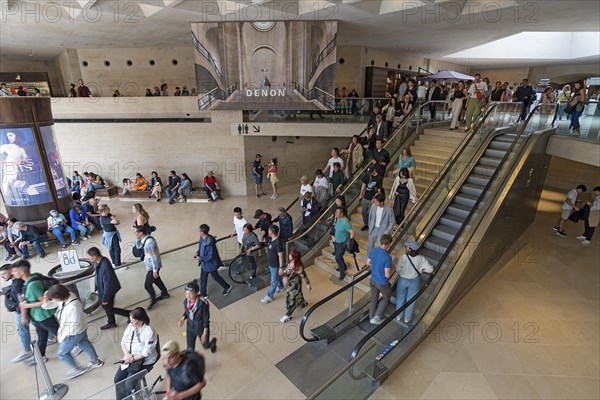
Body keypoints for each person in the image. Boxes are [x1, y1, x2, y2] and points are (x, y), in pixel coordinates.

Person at [42, 284, 104, 379]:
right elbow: (47, 306)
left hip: (73, 332)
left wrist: (67, 336)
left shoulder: (73, 306)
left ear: (58, 296)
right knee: (84, 343)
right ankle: (95, 361)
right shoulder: (66, 297)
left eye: (53, 298)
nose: (53, 300)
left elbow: (75, 323)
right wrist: (46, 298)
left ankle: (76, 369)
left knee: (62, 353)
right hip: (78, 330)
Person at [13, 260, 58, 364]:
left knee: (59, 332)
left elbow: (43, 301)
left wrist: (26, 305)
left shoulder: (32, 285)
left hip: (44, 316)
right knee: (42, 335)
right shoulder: (32, 278)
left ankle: (78, 345)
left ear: (22, 272)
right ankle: (40, 355)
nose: (13, 273)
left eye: (15, 271)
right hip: (38, 317)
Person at [114, 307, 158, 400]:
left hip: (144, 360)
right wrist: (127, 354)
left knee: (129, 383)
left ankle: (136, 398)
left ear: (140, 320)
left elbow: (146, 353)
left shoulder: (149, 331)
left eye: (133, 321)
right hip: (130, 357)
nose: (131, 323)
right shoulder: (131, 327)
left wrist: (132, 359)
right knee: (118, 379)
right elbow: (123, 342)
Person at [88, 247, 131, 330]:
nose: (89, 258)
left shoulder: (104, 266)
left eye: (90, 256)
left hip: (108, 291)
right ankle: (111, 322)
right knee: (107, 307)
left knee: (108, 308)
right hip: (104, 289)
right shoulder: (102, 260)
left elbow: (108, 284)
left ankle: (128, 314)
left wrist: (105, 298)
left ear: (94, 256)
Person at [395, 242, 434, 324]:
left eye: (407, 247)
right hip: (414, 281)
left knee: (400, 298)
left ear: (409, 249)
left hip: (402, 280)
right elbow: (430, 270)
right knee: (411, 301)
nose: (406, 248)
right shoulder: (421, 258)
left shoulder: (403, 257)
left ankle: (398, 316)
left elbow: (398, 269)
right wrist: (421, 270)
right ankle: (407, 319)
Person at [0, 263, 32, 363]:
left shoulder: (17, 283)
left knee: (23, 331)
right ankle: (51, 337)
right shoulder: (16, 281)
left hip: (22, 311)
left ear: (11, 271)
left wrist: (23, 316)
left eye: (4, 274)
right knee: (39, 325)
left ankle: (27, 351)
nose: (2, 277)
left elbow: (22, 301)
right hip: (25, 310)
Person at [134, 226, 169, 310]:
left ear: (141, 233)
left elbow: (154, 257)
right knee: (156, 280)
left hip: (153, 267)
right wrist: (137, 239)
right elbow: (138, 247)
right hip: (151, 266)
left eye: (136, 232)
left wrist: (155, 270)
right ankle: (165, 293)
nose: (134, 234)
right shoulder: (145, 239)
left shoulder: (149, 242)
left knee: (147, 285)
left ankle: (153, 301)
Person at [178, 279, 217, 352]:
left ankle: (213, 343)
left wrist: (205, 333)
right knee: (190, 349)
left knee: (206, 346)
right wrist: (183, 318)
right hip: (190, 327)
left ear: (196, 293)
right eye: (186, 294)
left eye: (191, 294)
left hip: (201, 328)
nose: (188, 296)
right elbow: (187, 312)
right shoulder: (186, 302)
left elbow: (206, 319)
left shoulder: (202, 304)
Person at [195, 224, 231, 297]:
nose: (198, 231)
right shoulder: (202, 237)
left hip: (210, 264)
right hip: (204, 264)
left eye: (199, 230)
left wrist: (200, 258)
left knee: (216, 277)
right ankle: (203, 293)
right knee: (203, 278)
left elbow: (210, 256)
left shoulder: (209, 242)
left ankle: (227, 286)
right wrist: (198, 252)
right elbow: (201, 247)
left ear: (203, 232)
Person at [367, 234, 394, 324]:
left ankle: (371, 316)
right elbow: (387, 275)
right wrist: (392, 267)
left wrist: (376, 265)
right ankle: (376, 317)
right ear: (388, 244)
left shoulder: (373, 251)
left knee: (374, 297)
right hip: (382, 282)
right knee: (386, 298)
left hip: (372, 280)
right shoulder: (387, 257)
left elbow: (368, 263)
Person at [279, 249, 311, 323]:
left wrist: (308, 284)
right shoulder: (292, 263)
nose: (289, 255)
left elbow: (304, 275)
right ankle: (302, 303)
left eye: (291, 254)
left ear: (294, 257)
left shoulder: (298, 266)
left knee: (293, 300)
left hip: (295, 285)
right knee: (297, 294)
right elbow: (287, 271)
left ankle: (287, 315)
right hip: (291, 284)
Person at [261, 225, 284, 304]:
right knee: (276, 277)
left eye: (269, 230)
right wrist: (262, 235)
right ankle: (280, 286)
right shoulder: (271, 239)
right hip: (271, 264)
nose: (268, 232)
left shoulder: (278, 242)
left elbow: (280, 255)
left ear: (272, 232)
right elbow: (261, 241)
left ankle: (269, 296)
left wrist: (281, 267)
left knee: (273, 281)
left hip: (275, 265)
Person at [332, 207, 355, 280]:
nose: (335, 213)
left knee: (337, 257)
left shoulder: (346, 222)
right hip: (337, 242)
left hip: (342, 243)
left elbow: (352, 233)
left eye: (337, 212)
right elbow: (336, 228)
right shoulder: (338, 219)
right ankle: (343, 267)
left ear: (342, 214)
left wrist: (350, 242)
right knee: (338, 256)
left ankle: (342, 272)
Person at [358, 167, 383, 231]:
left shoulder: (379, 178)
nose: (370, 174)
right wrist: (361, 194)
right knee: (364, 211)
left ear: (374, 171)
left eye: (371, 172)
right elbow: (363, 185)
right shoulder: (367, 175)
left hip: (372, 198)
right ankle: (366, 224)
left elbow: (379, 191)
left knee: (371, 213)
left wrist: (374, 199)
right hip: (365, 196)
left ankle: (372, 225)